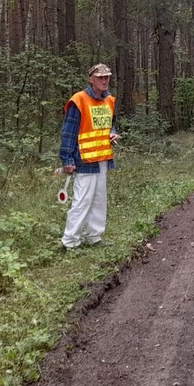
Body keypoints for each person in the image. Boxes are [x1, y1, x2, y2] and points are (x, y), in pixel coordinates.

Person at [59, 63, 120, 250]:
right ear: (91, 79)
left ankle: (94, 236)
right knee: (82, 201)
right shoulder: (78, 100)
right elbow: (68, 133)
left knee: (99, 200)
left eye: (106, 77)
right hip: (83, 159)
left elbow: (109, 124)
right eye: (100, 77)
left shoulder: (109, 100)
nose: (104, 80)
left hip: (102, 158)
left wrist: (112, 133)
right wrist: (67, 159)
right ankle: (70, 241)